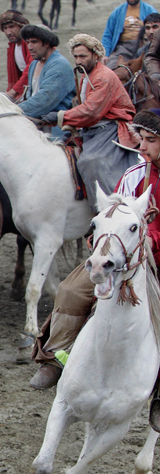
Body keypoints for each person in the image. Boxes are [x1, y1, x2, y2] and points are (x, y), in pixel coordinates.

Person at [31, 108, 160, 389]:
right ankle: (56, 358)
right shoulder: (134, 175)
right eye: (142, 138)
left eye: (151, 140)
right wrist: (103, 238)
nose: (142, 146)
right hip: (123, 253)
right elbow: (115, 214)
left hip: (156, 257)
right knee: (71, 290)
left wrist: (154, 240)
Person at [44, 35, 139, 199]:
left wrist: (61, 116)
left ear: (96, 55)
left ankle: (111, 206)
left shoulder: (103, 77)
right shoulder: (86, 74)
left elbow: (92, 111)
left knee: (90, 161)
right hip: (91, 128)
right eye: (76, 56)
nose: (78, 60)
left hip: (109, 128)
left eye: (83, 56)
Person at [17, 25, 74, 142]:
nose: (30, 47)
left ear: (47, 43)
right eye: (28, 42)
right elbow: (30, 96)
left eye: (34, 42)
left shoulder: (59, 65)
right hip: (35, 125)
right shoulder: (34, 64)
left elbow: (44, 100)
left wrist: (13, 110)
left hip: (56, 130)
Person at [103, 0, 157, 68]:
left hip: (145, 46)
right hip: (124, 48)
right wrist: (106, 54)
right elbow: (108, 34)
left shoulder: (150, 10)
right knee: (110, 70)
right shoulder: (118, 12)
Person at [0, 10, 31, 102]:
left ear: (21, 26)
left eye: (12, 27)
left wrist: (13, 91)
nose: (9, 32)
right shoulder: (13, 47)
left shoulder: (30, 44)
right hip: (24, 88)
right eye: (5, 28)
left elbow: (31, 69)